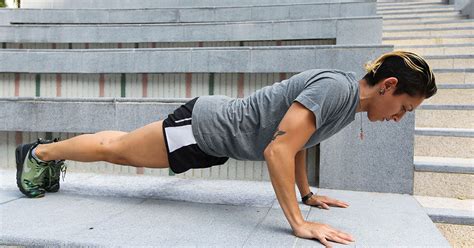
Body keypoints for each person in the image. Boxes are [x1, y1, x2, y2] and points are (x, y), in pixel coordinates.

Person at [15, 50, 436, 246]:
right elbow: (277, 150)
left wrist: (307, 194)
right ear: (389, 86)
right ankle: (39, 155)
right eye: (404, 107)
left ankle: (47, 155)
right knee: (118, 149)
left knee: (119, 147)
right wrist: (299, 224)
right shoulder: (336, 88)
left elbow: (299, 143)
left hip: (215, 138)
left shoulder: (348, 103)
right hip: (204, 127)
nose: (400, 116)